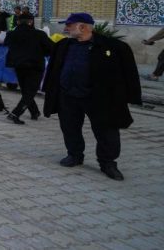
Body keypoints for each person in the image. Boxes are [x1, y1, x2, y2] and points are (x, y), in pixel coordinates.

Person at [43, 13, 141, 181]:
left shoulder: (112, 47)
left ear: (83, 27)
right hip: (68, 95)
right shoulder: (63, 45)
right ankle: (74, 155)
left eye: (69, 25)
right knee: (70, 127)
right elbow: (53, 69)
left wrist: (129, 96)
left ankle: (108, 162)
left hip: (98, 98)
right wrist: (51, 90)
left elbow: (128, 73)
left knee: (106, 131)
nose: (66, 28)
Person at [5, 13, 53, 124]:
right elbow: (51, 48)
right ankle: (15, 113)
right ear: (31, 22)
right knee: (30, 92)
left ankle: (34, 112)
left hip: (18, 66)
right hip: (35, 66)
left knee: (26, 90)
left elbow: (7, 44)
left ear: (17, 22)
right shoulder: (39, 34)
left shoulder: (11, 34)